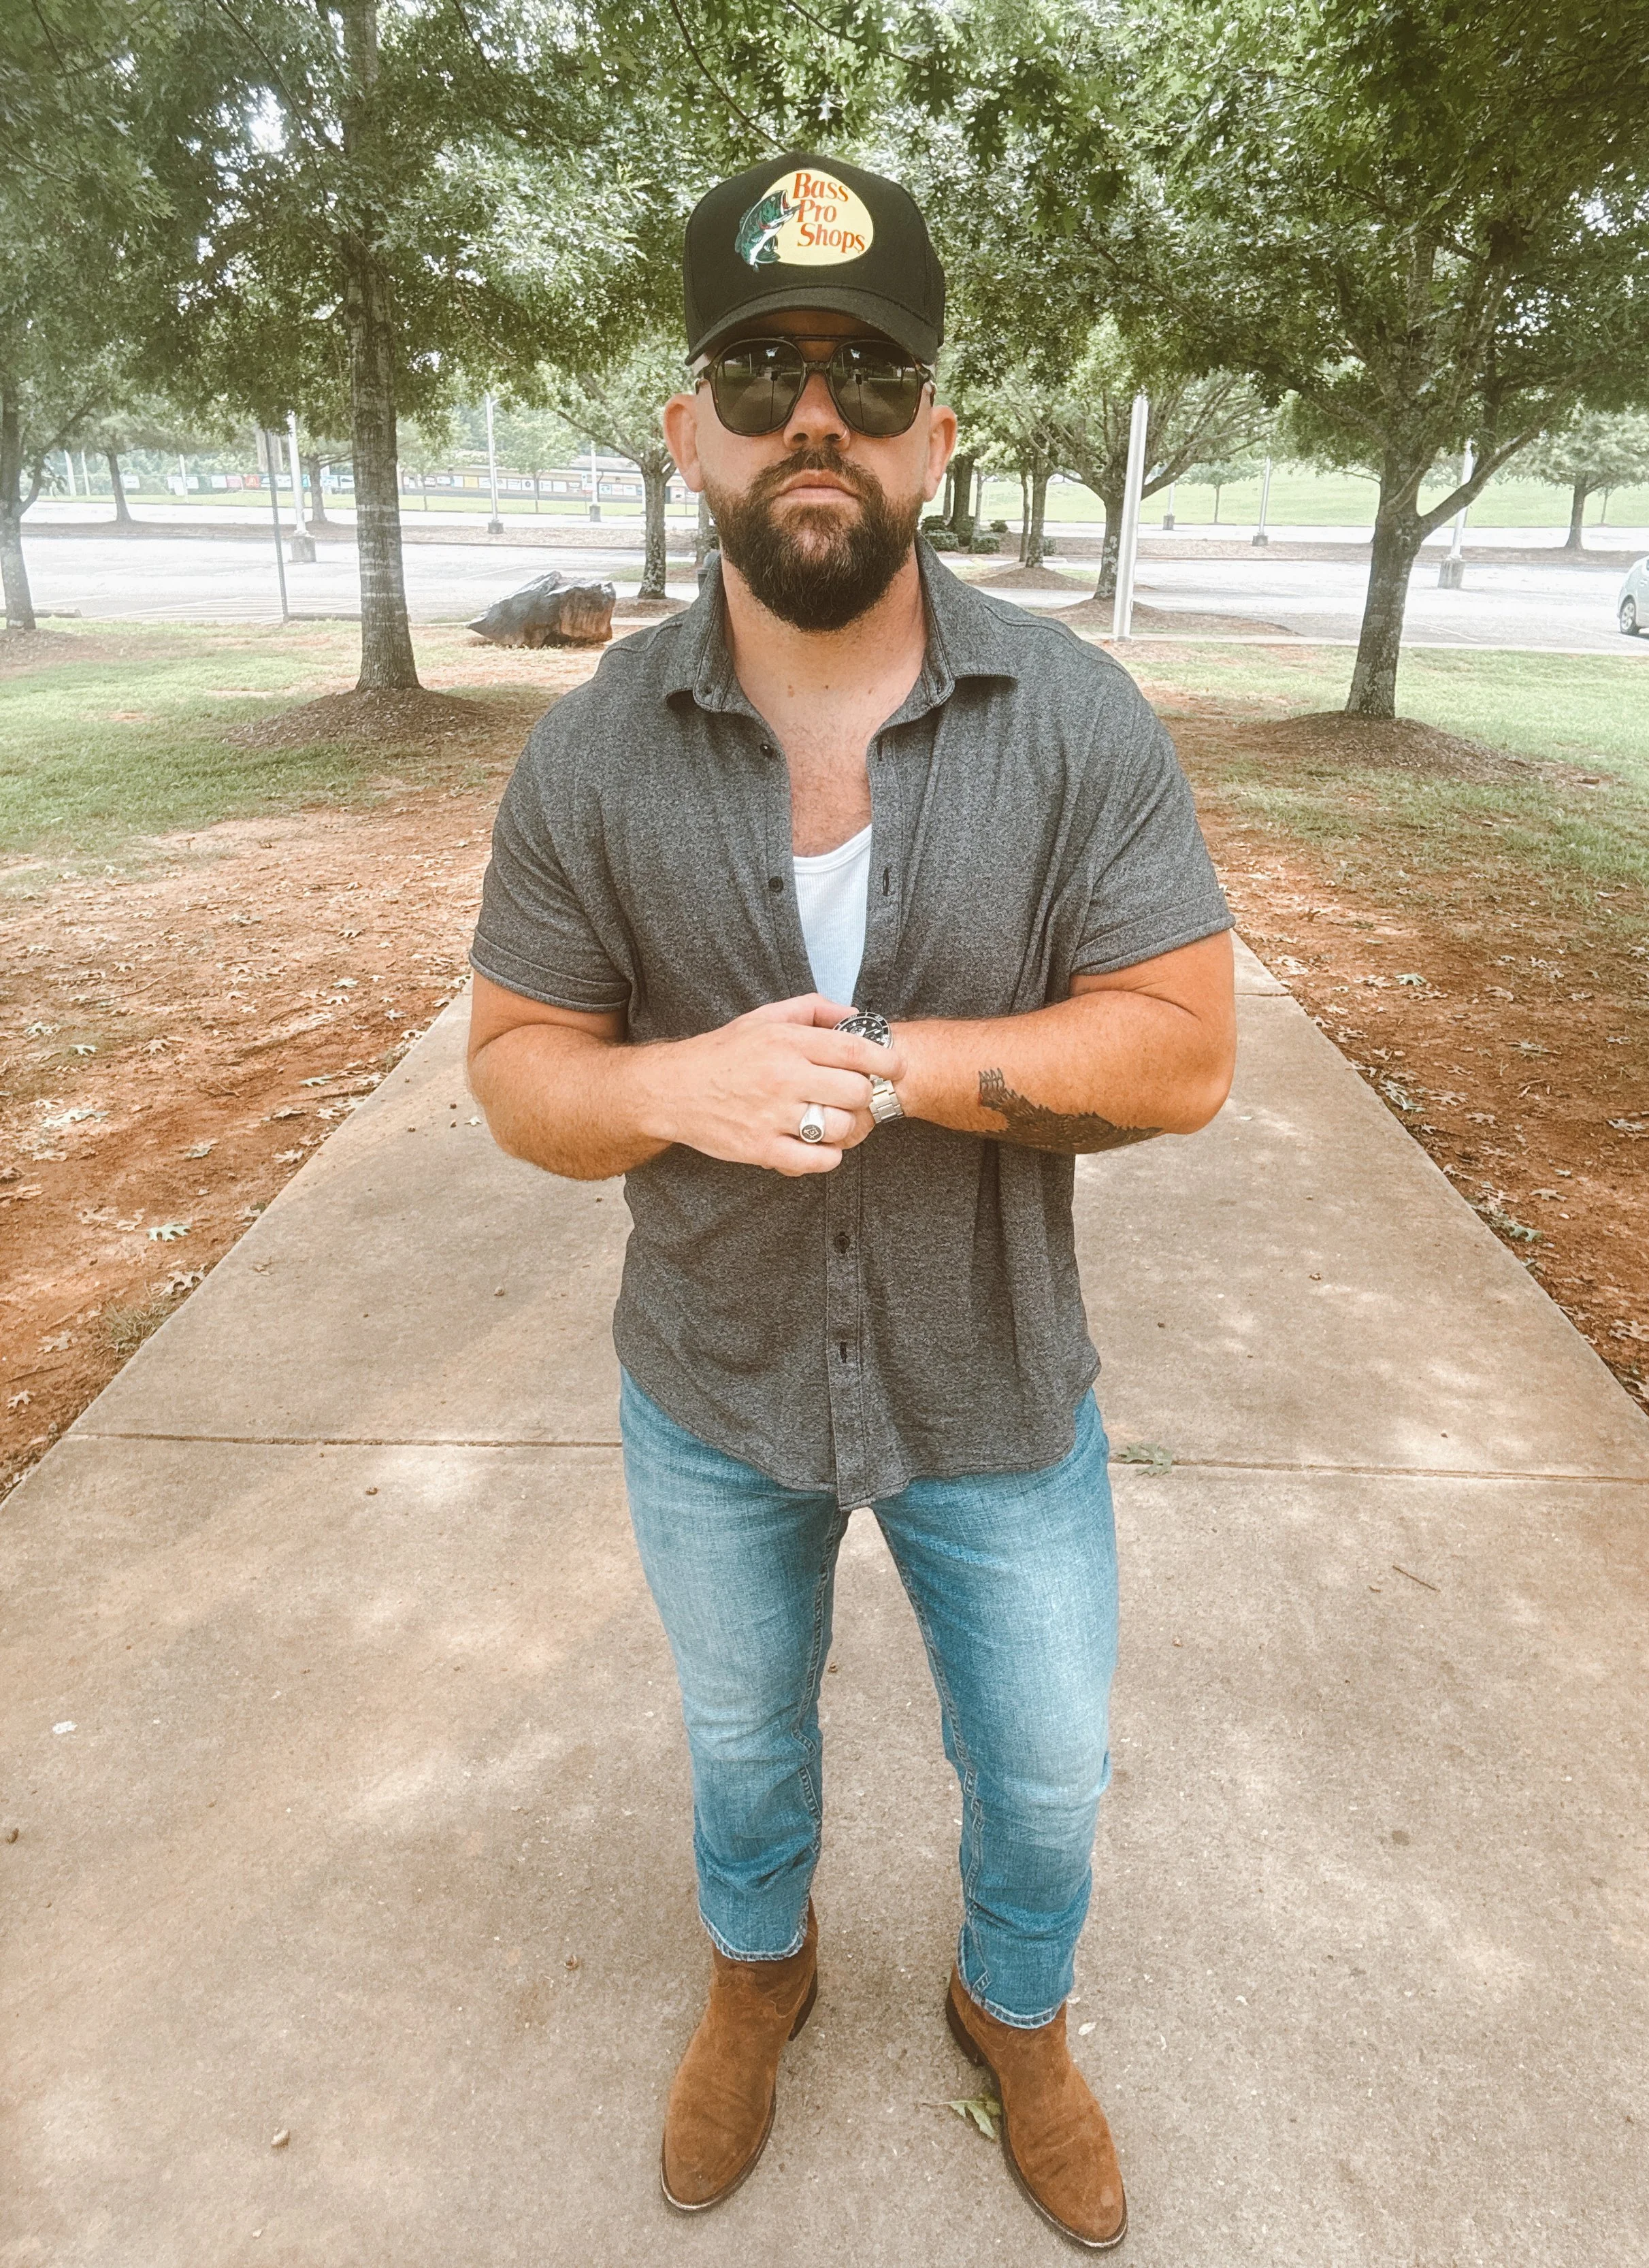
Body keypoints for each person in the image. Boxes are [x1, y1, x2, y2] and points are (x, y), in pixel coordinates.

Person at [466, 152, 1236, 2251]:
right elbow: (516, 1072)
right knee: (739, 1745)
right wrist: (673, 1086)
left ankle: (1017, 2013)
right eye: (764, 366)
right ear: (689, 428)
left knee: (1049, 1768)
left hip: (997, 1384)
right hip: (709, 1388)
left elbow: (1179, 1042)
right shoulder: (591, 754)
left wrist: (907, 1069)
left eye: (867, 374)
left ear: (936, 436)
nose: (818, 411)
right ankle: (759, 1970)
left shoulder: (1068, 716)